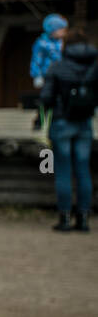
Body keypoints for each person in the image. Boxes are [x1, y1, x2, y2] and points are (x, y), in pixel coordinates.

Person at [40, 29, 96, 232]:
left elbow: (46, 98)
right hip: (85, 122)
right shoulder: (94, 67)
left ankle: (64, 218)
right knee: (83, 170)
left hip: (62, 121)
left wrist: (43, 116)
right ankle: (83, 219)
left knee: (63, 171)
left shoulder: (58, 67)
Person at [31, 14, 67, 129]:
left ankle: (59, 122)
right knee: (45, 100)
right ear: (53, 30)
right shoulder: (42, 43)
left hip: (61, 75)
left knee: (61, 99)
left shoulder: (62, 43)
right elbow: (36, 59)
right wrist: (37, 75)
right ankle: (39, 122)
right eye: (61, 29)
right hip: (47, 75)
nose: (64, 31)